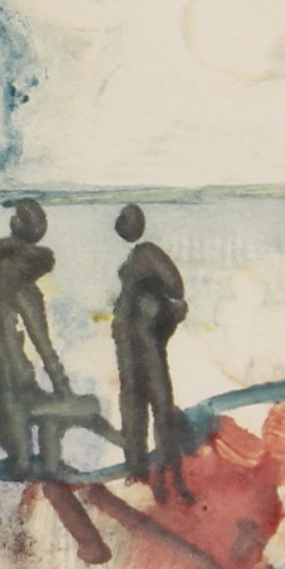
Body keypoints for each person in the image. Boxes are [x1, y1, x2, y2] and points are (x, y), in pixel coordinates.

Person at [0, 200, 74, 477]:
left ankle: (23, 460)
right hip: (16, 368)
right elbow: (43, 346)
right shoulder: (22, 290)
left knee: (12, 389)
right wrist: (62, 386)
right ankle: (25, 461)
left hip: (12, 366)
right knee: (16, 389)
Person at [112, 204, 190, 502]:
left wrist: (160, 317)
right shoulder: (137, 256)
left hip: (145, 341)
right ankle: (140, 471)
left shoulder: (147, 253)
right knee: (135, 405)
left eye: (127, 220)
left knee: (158, 406)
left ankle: (169, 477)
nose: (122, 225)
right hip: (131, 344)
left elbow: (177, 290)